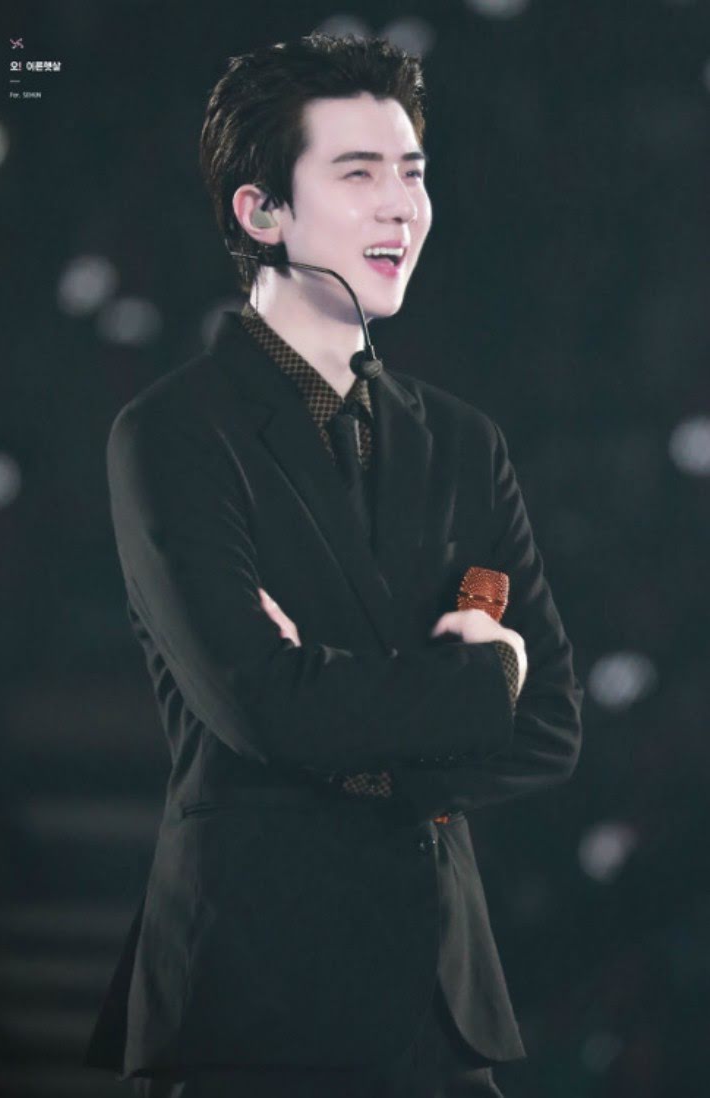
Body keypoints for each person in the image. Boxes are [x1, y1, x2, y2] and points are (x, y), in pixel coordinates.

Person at [84, 31, 583, 1098]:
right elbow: (260, 704)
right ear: (261, 212)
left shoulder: (464, 444)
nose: (402, 206)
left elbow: (549, 726)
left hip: (442, 1008)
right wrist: (477, 681)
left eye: (413, 173)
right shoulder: (171, 435)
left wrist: (344, 722)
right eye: (358, 174)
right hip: (253, 995)